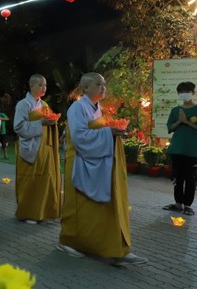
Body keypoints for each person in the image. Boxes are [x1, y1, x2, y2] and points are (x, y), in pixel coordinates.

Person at [58, 72, 147, 266]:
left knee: (99, 208)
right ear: (85, 89)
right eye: (99, 84)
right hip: (80, 161)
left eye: (104, 84)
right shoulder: (77, 108)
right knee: (78, 205)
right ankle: (69, 241)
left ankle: (110, 247)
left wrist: (112, 132)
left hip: (97, 161)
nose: (103, 87)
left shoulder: (98, 109)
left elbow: (96, 132)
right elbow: (80, 137)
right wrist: (108, 132)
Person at [13, 74, 61, 224]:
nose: (43, 88)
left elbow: (49, 123)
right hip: (30, 147)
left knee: (45, 180)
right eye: (40, 85)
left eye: (45, 85)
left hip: (45, 147)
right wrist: (41, 123)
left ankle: (44, 211)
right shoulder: (23, 104)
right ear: (31, 86)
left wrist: (52, 123)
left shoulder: (44, 106)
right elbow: (18, 127)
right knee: (30, 181)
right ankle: (29, 213)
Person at [163, 81, 197, 216]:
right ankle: (178, 204)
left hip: (192, 150)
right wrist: (180, 121)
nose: (184, 94)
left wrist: (186, 122)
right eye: (181, 92)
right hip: (176, 149)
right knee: (177, 179)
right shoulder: (175, 111)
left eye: (187, 92)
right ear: (178, 94)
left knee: (190, 179)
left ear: (193, 93)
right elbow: (170, 128)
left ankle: (188, 205)